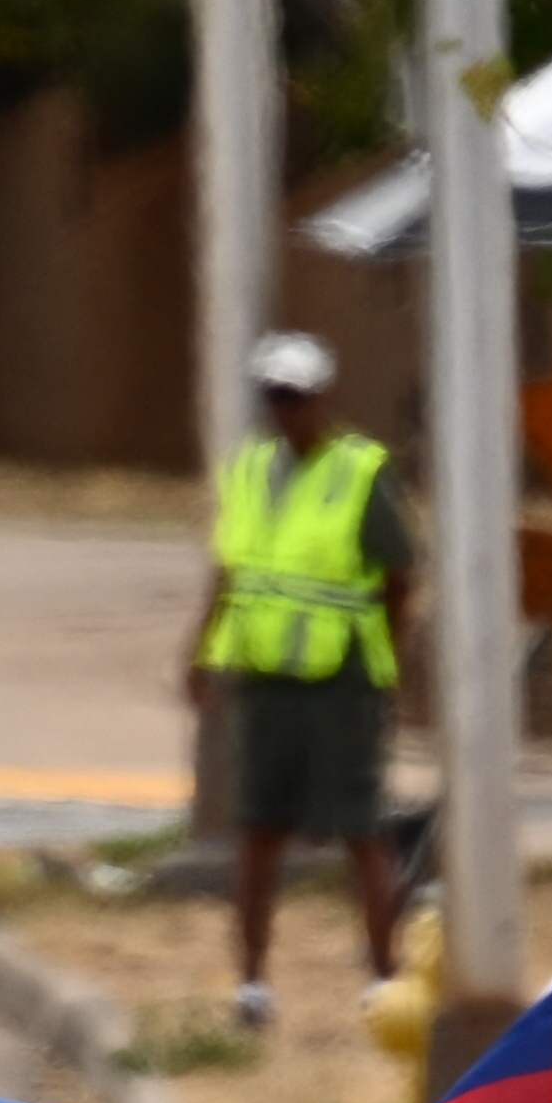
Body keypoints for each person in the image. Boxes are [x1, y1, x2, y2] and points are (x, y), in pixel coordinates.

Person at [181, 331, 419, 1032]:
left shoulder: (360, 471)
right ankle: (252, 981)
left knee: (359, 829)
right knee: (258, 829)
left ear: (321, 398)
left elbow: (399, 576)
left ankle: (385, 976)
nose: (286, 410)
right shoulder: (250, 470)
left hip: (341, 678)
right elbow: (230, 567)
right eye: (275, 397)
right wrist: (201, 652)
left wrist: (390, 664)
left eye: (296, 397)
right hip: (266, 675)